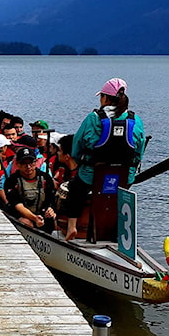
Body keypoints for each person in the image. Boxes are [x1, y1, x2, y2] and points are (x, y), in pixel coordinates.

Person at [62, 77, 146, 241]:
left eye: (101, 96)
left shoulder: (93, 118)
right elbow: (139, 148)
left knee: (75, 190)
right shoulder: (135, 120)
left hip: (92, 175)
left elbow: (77, 145)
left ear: (106, 98)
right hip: (123, 177)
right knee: (119, 195)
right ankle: (118, 232)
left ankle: (72, 227)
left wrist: (79, 161)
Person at [4, 147, 57, 232]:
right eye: (24, 164)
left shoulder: (46, 178)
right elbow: (17, 205)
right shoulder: (12, 181)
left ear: (35, 162)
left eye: (31, 163)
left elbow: (51, 199)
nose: (28, 167)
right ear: (17, 164)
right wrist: (34, 218)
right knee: (26, 223)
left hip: (41, 214)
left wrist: (50, 209)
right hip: (21, 215)